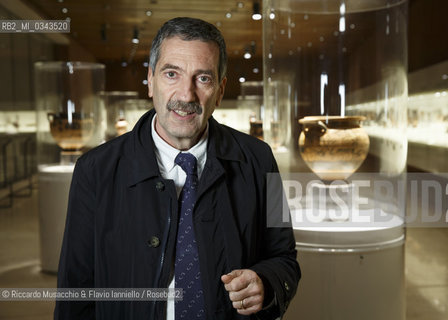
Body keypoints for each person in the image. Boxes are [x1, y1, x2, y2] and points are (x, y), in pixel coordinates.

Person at [54, 17, 300, 320]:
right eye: (172, 74)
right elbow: (75, 290)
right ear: (150, 80)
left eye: (203, 79)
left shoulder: (261, 160)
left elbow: (285, 258)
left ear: (220, 91)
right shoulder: (94, 170)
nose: (186, 95)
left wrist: (267, 282)